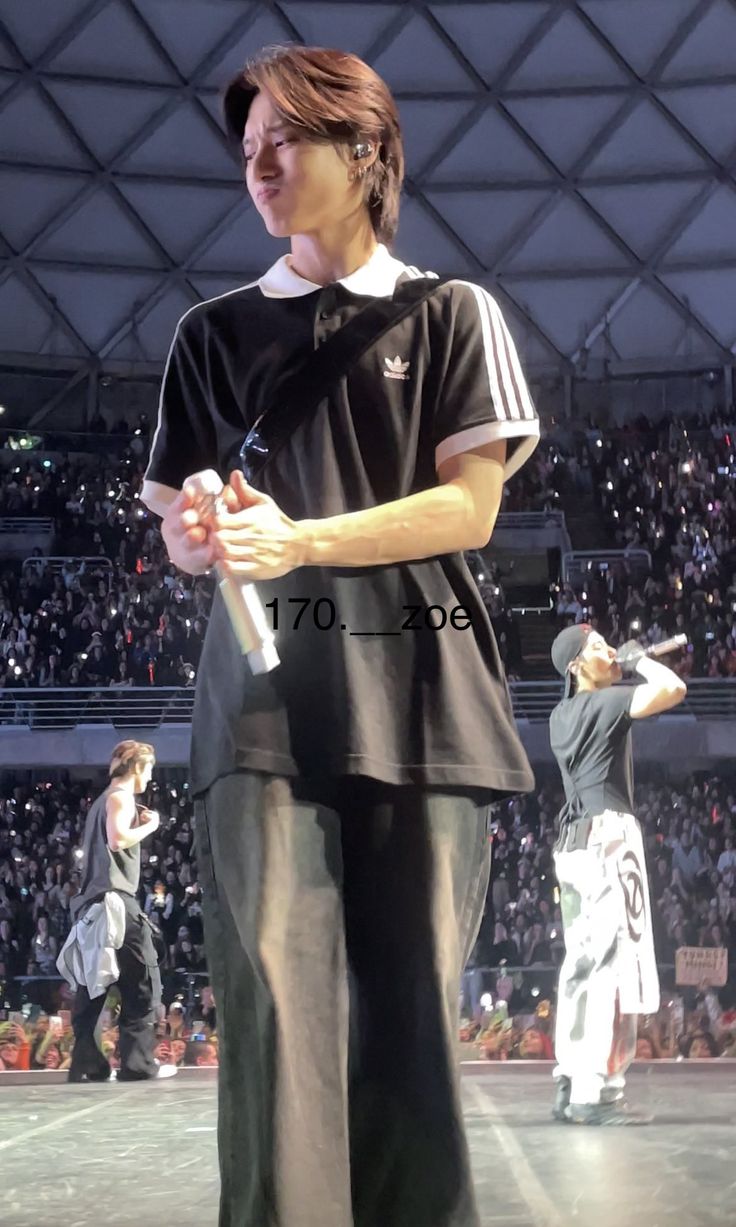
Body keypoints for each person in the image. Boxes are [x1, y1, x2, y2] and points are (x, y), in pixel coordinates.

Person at [142, 44, 539, 1227]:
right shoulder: (212, 335)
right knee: (270, 1015)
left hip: (422, 698)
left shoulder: (453, 312)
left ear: (364, 153)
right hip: (261, 715)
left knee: (413, 1021)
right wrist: (207, 534)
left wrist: (302, 538)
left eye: (285, 140)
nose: (257, 164)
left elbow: (469, 507)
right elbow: (173, 526)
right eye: (247, 147)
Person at [548, 625, 687, 1125]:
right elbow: (673, 689)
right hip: (608, 836)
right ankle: (596, 1090)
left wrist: (617, 663)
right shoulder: (605, 705)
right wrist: (637, 662)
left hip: (572, 844)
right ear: (576, 666)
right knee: (611, 959)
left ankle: (569, 1078)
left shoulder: (559, 716)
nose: (609, 650)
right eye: (597, 647)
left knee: (580, 963)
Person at [63, 741, 177, 1083]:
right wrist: (151, 827)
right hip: (117, 904)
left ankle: (88, 1064)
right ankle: (138, 1064)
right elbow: (117, 839)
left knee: (93, 987)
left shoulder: (101, 801)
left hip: (93, 907)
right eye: (150, 769)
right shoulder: (120, 798)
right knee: (141, 984)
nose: (150, 776)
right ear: (139, 768)